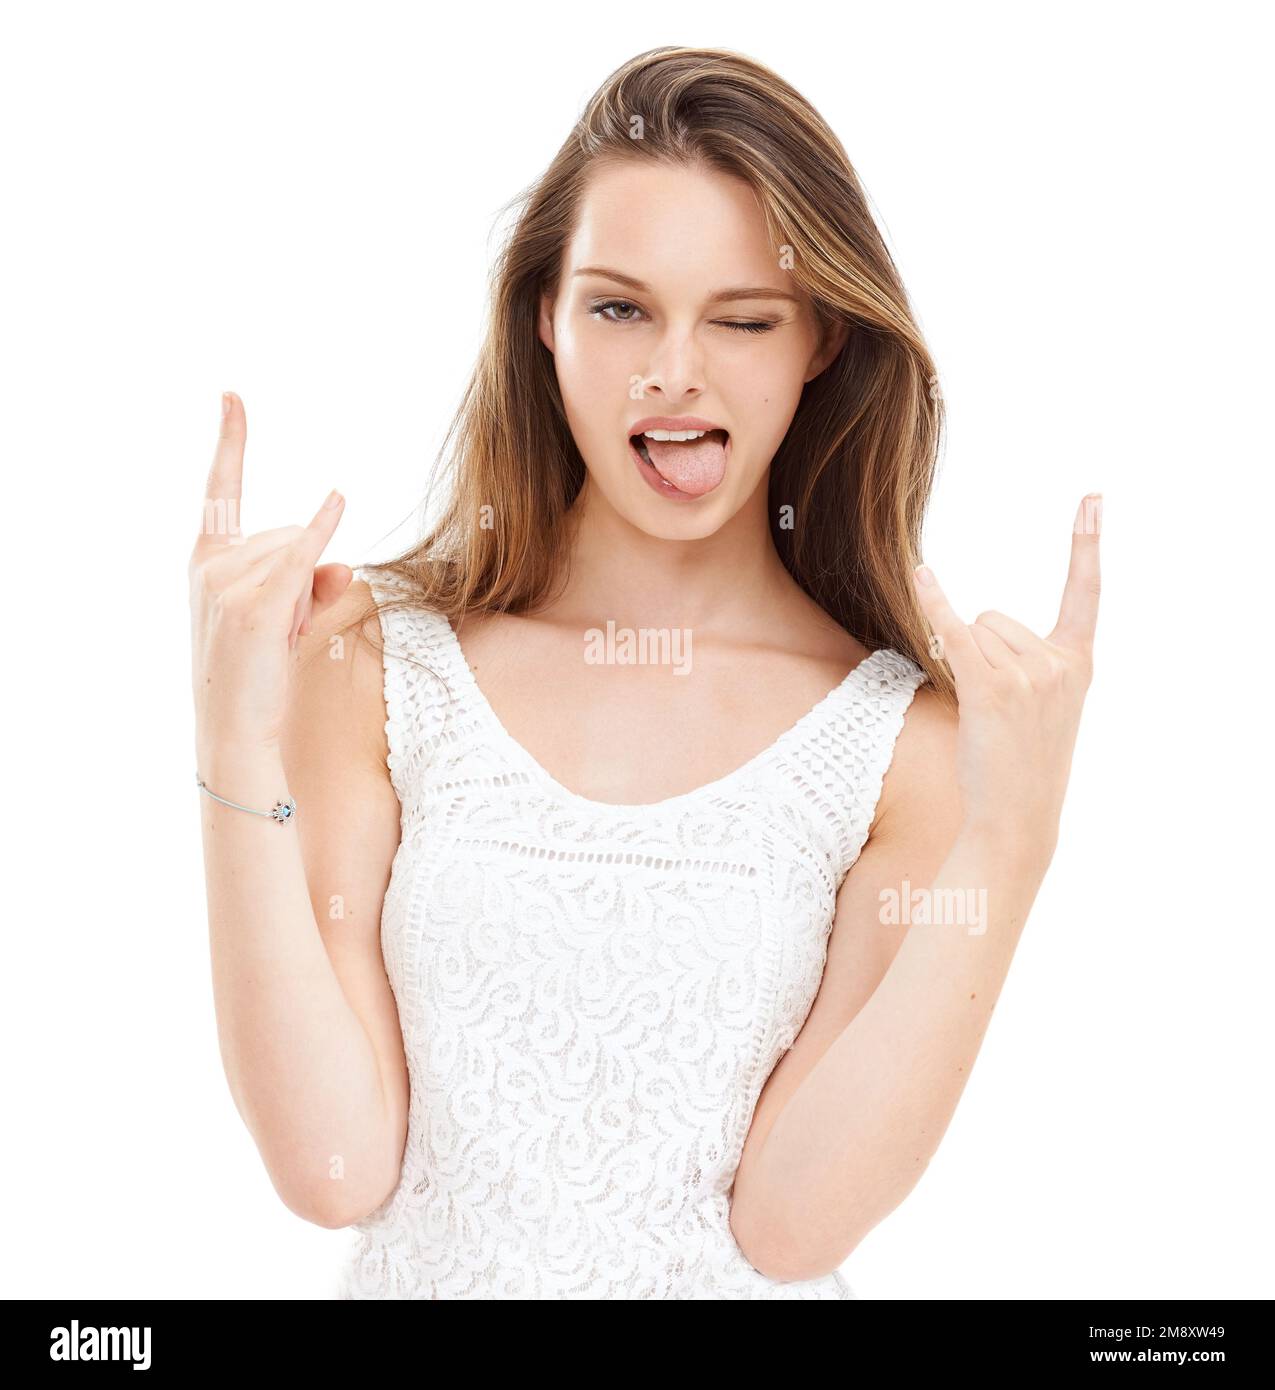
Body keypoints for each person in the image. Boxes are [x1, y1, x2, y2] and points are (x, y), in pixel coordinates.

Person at [188, 46, 1100, 1300]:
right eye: (621, 307)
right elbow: (334, 1168)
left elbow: (791, 1226)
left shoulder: (906, 747)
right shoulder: (380, 667)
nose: (676, 369)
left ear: (820, 340)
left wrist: (1014, 840)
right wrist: (233, 746)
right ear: (545, 322)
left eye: (742, 317)